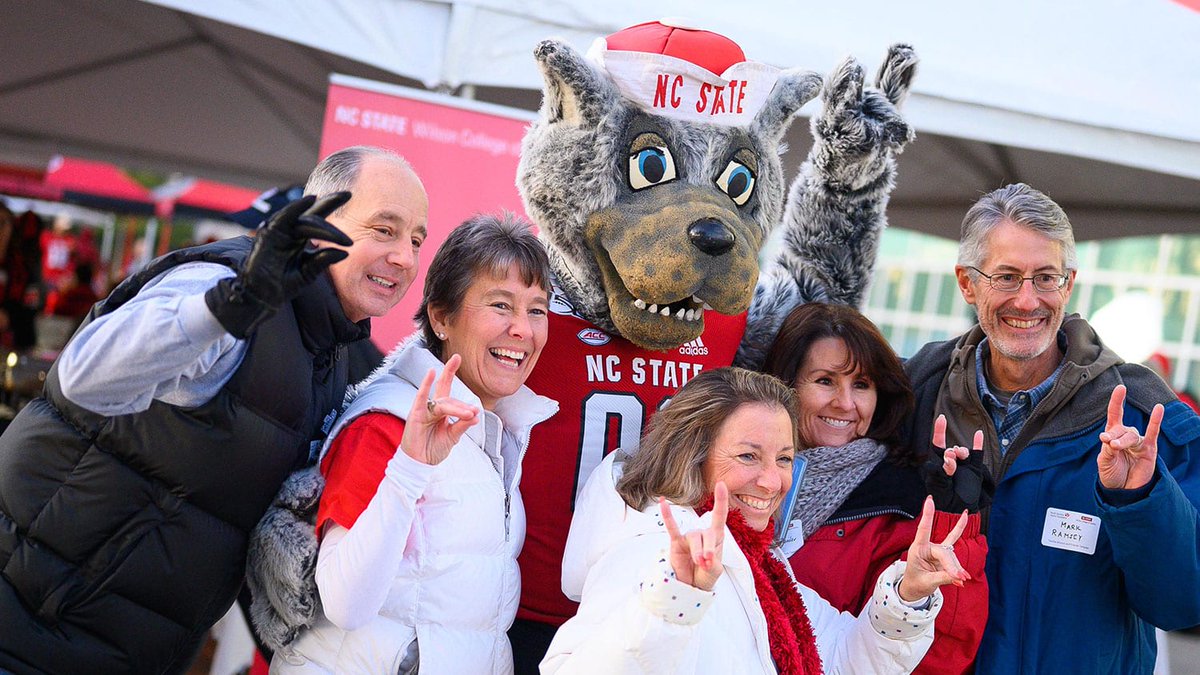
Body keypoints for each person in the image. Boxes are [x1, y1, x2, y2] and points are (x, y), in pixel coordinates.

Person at [0, 144, 429, 674]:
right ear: (319, 225)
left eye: (416, 240)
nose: (405, 258)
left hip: (125, 648)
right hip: (30, 626)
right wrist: (229, 306)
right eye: (384, 230)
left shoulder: (330, 345)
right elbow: (85, 376)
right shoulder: (225, 284)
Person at [900, 182, 1200, 673]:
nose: (1027, 300)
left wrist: (1140, 499)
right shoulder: (914, 393)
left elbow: (1182, 604)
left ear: (1068, 284)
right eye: (1006, 277)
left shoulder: (1144, 416)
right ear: (967, 283)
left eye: (1045, 278)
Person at [263, 214, 557, 674]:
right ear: (441, 317)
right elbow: (344, 604)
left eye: (536, 310)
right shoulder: (387, 423)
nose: (523, 329)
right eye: (500, 305)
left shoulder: (493, 432)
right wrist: (409, 468)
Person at [543, 367, 971, 674]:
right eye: (748, 456)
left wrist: (907, 595)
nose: (771, 481)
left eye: (784, 459)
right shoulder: (653, 553)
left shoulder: (758, 560)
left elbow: (841, 660)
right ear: (691, 456)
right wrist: (673, 600)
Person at [762, 302, 990, 674]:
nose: (845, 403)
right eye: (825, 381)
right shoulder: (735, 476)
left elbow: (936, 658)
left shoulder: (900, 501)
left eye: (861, 385)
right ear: (783, 384)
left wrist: (952, 525)